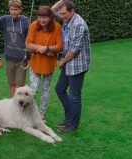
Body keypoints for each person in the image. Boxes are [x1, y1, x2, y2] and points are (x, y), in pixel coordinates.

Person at [51, 0, 91, 133]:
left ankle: (73, 125)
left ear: (72, 11)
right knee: (60, 89)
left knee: (74, 96)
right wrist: (62, 1)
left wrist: (62, 61)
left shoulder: (79, 24)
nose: (61, 16)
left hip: (77, 65)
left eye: (63, 14)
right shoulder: (67, 18)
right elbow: (51, 11)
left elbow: (74, 50)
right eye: (60, 13)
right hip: (69, 64)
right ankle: (69, 118)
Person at [26, 6, 63, 122]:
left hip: (49, 64)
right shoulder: (33, 25)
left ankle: (41, 114)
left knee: (46, 90)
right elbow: (28, 44)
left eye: (45, 17)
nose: (42, 20)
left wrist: (47, 48)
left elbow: (60, 46)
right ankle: (30, 112)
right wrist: (40, 48)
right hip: (35, 63)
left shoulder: (56, 27)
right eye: (40, 17)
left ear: (50, 17)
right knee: (34, 89)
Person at [0, 0, 30, 97]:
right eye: (11, 9)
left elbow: (30, 40)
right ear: (9, 9)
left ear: (20, 10)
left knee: (20, 85)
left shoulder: (25, 21)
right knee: (12, 83)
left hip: (22, 59)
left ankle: (20, 107)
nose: (13, 12)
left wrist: (29, 57)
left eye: (16, 9)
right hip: (10, 58)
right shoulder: (5, 20)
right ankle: (13, 105)